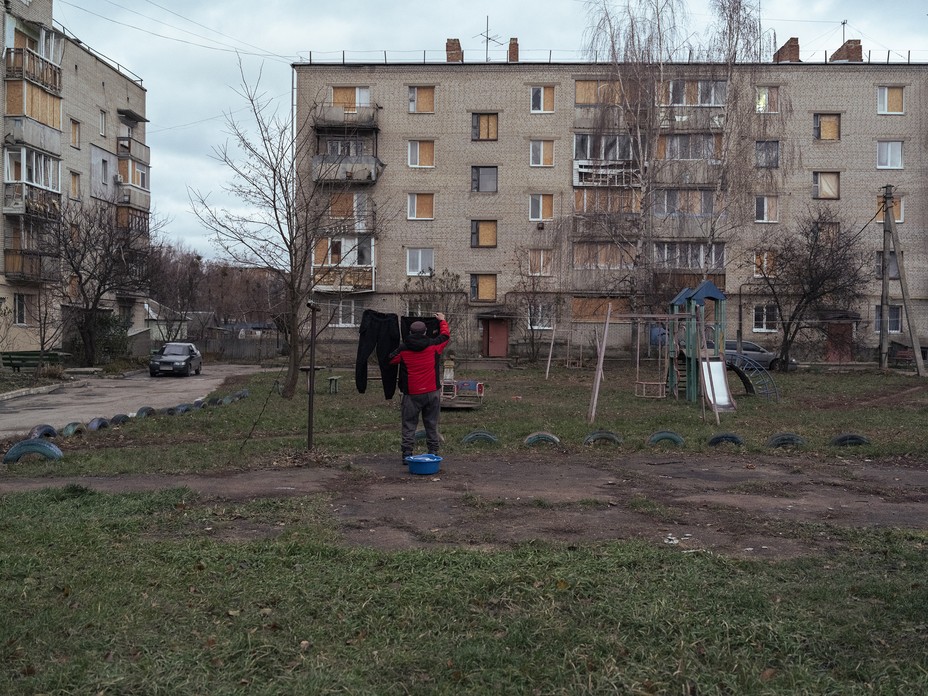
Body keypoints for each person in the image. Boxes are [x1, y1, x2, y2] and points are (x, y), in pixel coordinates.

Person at [389, 313, 450, 463]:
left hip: (411, 393)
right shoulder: (434, 345)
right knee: (431, 423)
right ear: (425, 332)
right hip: (432, 392)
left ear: (410, 332)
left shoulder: (403, 349)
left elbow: (391, 360)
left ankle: (406, 454)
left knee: (409, 424)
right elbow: (445, 336)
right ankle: (433, 451)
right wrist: (442, 321)